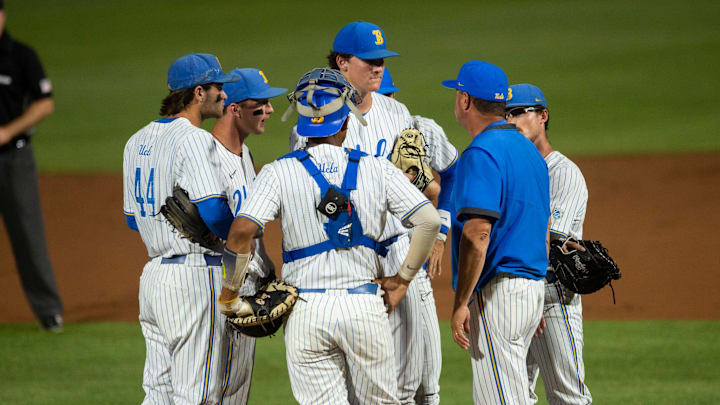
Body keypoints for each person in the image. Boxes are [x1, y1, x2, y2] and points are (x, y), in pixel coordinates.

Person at [219, 68, 441, 405]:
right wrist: (402, 280)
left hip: (306, 311)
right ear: (347, 123)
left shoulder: (279, 171)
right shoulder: (376, 168)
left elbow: (241, 231)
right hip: (365, 307)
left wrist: (230, 295)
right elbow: (428, 220)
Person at [287, 22, 458, 403]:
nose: (378, 68)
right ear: (342, 63)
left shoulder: (397, 112)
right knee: (356, 379)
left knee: (414, 377)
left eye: (381, 61)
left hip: (398, 247)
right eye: (369, 61)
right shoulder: (312, 120)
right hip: (347, 256)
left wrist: (439, 230)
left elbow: (433, 182)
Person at [122, 53, 243, 404]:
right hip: (193, 279)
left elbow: (133, 219)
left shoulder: (135, 141)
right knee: (198, 394)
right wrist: (230, 237)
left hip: (154, 280)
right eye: (219, 87)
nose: (224, 95)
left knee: (158, 393)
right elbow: (213, 210)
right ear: (199, 92)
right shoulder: (193, 139)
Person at [443, 61, 550, 404]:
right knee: (517, 395)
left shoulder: (482, 152)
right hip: (531, 289)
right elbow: (543, 228)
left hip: (500, 295)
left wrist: (461, 301)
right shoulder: (530, 153)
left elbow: (477, 233)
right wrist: (535, 297)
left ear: (464, 100)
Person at [506, 83, 592, 405]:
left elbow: (549, 238)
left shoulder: (564, 173)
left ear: (543, 116)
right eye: (507, 113)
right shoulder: (514, 171)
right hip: (518, 298)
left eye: (520, 112)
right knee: (516, 396)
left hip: (555, 299)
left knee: (567, 397)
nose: (512, 120)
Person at [207, 67, 286, 402]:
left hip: (243, 286)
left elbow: (251, 231)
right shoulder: (207, 157)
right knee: (210, 390)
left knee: (234, 391)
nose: (269, 110)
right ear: (233, 108)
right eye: (260, 103)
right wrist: (231, 292)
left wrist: (266, 268)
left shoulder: (245, 154)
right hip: (219, 288)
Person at [377, 68, 451, 405]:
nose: (388, 103)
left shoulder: (419, 128)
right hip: (375, 267)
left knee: (427, 381)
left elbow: (450, 179)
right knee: (396, 384)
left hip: (413, 266)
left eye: (391, 96)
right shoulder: (350, 135)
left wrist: (442, 231)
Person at [0, 0, 63, 332]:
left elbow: (45, 104)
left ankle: (48, 311)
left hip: (14, 158)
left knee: (28, 234)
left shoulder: (21, 55)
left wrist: (8, 131)